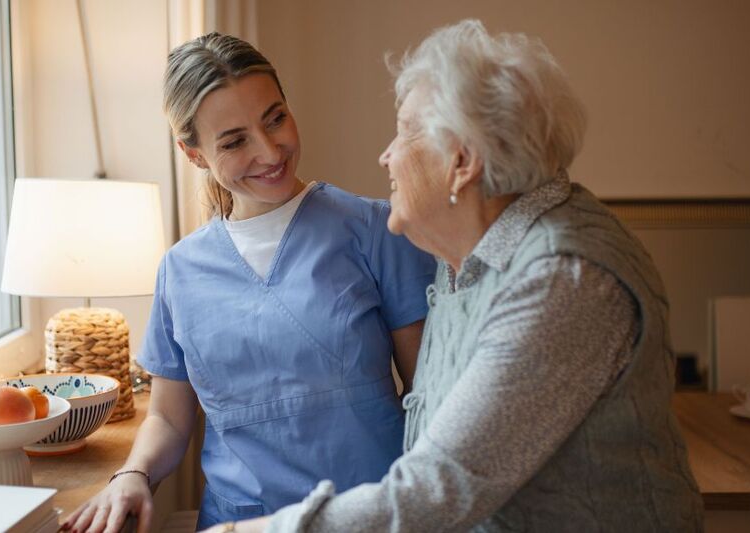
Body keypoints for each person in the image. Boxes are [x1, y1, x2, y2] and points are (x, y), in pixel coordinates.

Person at [204, 19, 704, 533]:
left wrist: (254, 531)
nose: (387, 156)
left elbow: (442, 484)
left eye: (403, 133)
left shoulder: (563, 279)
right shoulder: (463, 254)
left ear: (460, 161)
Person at [61, 33, 436, 533]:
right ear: (193, 154)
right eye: (235, 141)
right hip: (238, 523)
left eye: (275, 118)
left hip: (370, 515)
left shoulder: (376, 231)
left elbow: (428, 394)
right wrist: (133, 473)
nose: (269, 150)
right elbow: (170, 419)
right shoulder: (181, 270)